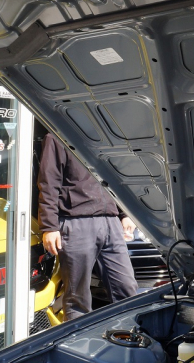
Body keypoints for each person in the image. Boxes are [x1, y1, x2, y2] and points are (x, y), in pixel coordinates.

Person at [37, 133, 138, 321]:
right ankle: (77, 338)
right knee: (78, 298)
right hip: (76, 222)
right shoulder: (57, 136)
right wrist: (49, 227)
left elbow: (118, 178)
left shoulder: (104, 134)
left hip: (110, 221)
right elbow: (48, 183)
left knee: (127, 288)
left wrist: (125, 213)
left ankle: (130, 334)